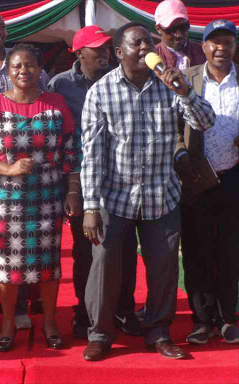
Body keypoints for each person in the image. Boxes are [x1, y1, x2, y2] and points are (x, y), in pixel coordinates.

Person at [80, 22, 216, 361]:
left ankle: (158, 332)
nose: (145, 49)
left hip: (161, 195)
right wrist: (91, 205)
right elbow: (92, 154)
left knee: (164, 268)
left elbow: (205, 122)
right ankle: (100, 333)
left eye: (148, 43)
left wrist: (184, 90)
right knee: (105, 266)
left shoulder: (168, 85)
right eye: (137, 43)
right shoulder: (101, 92)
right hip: (115, 195)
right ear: (119, 52)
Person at [0, 43, 81, 351]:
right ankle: (9, 322)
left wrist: (71, 191)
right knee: (6, 265)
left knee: (49, 263)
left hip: (48, 198)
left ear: (40, 70)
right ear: (8, 73)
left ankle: (51, 322)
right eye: (17, 66)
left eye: (30, 65)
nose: (24, 70)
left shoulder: (55, 103)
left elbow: (70, 152)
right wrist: (10, 168)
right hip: (5, 201)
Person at [48, 25, 142, 339]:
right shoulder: (60, 85)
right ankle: (85, 313)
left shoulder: (122, 76)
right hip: (81, 183)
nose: (104, 53)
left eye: (106, 48)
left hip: (121, 179)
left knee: (126, 247)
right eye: (97, 48)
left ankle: (124, 310)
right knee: (86, 252)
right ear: (78, 52)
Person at [0, 11, 50, 329]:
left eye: (1, 26)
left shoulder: (24, 63)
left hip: (32, 174)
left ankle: (22, 307)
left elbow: (40, 109)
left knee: (29, 242)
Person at [175, 20, 239, 344]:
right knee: (198, 251)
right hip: (197, 178)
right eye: (214, 42)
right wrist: (180, 156)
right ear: (203, 47)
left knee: (230, 252)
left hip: (234, 178)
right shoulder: (187, 79)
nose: (221, 48)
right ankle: (202, 320)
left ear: (234, 46)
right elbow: (170, 127)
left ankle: (228, 318)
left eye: (227, 42)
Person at [154, 0, 206, 71]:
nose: (179, 35)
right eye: (172, 29)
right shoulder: (152, 57)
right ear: (158, 29)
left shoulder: (203, 53)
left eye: (183, 27)